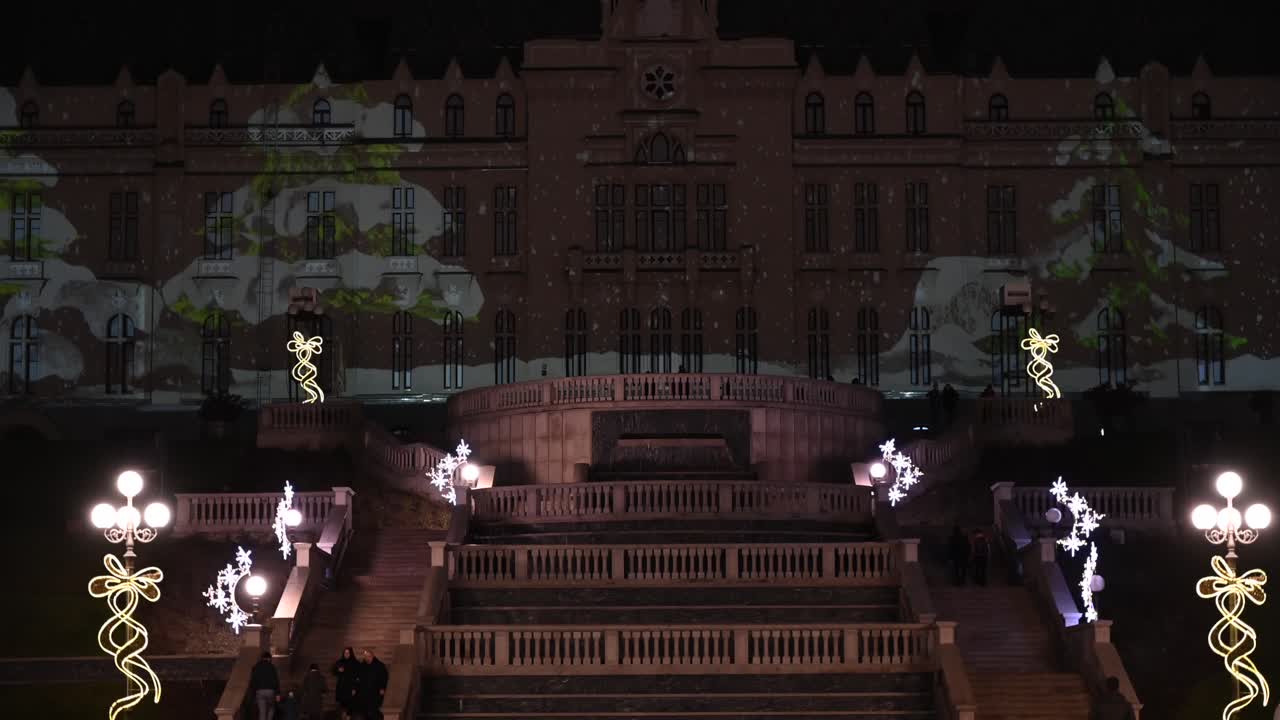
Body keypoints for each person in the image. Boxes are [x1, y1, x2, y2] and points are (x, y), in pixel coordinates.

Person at [250, 651, 280, 720]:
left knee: (262, 712)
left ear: (262, 658)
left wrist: (253, 693)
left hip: (259, 691)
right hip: (270, 691)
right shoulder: (272, 667)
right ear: (269, 658)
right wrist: (278, 693)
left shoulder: (256, 667)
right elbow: (276, 681)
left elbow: (253, 681)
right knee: (271, 708)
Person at [359, 650, 389, 720]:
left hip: (376, 692)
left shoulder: (379, 665)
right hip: (365, 693)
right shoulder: (362, 666)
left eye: (369, 656)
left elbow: (384, 678)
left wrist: (382, 688)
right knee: (365, 712)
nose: (367, 658)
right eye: (365, 656)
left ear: (372, 656)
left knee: (374, 711)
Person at [333, 647, 360, 719]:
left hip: (351, 687)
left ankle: (348, 717)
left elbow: (358, 676)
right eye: (345, 653)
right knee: (342, 704)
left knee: (350, 705)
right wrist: (338, 670)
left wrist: (355, 688)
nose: (346, 654)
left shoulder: (355, 663)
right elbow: (334, 671)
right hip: (342, 687)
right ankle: (344, 716)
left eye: (348, 653)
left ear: (351, 654)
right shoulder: (340, 662)